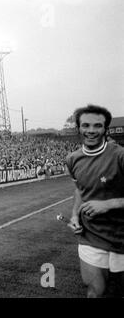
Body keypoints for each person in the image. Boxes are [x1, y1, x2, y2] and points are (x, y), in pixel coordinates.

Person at [66, 104, 124, 297]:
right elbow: (80, 190)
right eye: (86, 125)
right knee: (94, 292)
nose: (91, 131)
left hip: (120, 236)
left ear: (105, 129)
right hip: (90, 236)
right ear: (78, 128)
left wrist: (108, 204)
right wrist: (75, 215)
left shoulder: (120, 155)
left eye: (97, 126)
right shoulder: (72, 159)